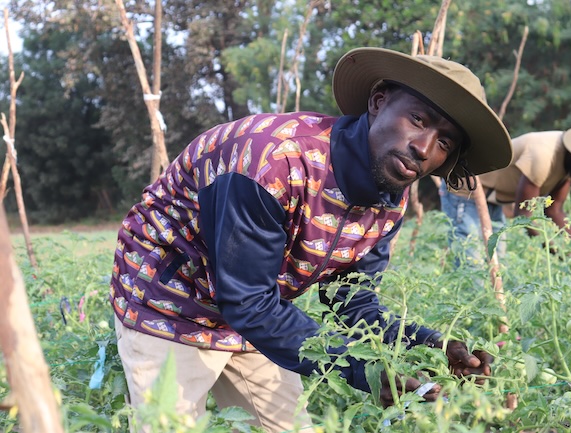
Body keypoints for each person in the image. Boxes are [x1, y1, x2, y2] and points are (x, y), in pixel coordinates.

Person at [109, 47, 513, 432]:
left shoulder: (389, 196)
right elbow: (247, 301)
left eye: (444, 142)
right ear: (378, 102)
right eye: (419, 120)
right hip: (168, 301)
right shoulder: (274, 162)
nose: (423, 148)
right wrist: (362, 371)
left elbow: (352, 302)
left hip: (261, 311)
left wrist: (433, 346)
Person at [440, 125, 571, 264]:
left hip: (493, 197)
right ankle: (469, 321)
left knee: (497, 260)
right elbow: (525, 216)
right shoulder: (544, 156)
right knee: (471, 260)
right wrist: (558, 252)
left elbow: (554, 211)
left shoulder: (568, 164)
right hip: (466, 190)